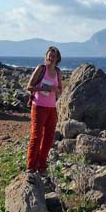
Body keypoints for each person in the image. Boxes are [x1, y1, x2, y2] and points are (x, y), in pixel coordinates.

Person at [25, 46, 62, 183]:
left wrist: (55, 90)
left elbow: (60, 91)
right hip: (38, 106)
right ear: (46, 56)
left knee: (48, 138)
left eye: (54, 56)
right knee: (36, 136)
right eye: (49, 55)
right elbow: (29, 87)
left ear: (57, 58)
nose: (51, 58)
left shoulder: (58, 72)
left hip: (51, 108)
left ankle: (41, 166)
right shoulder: (41, 68)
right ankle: (30, 167)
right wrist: (43, 88)